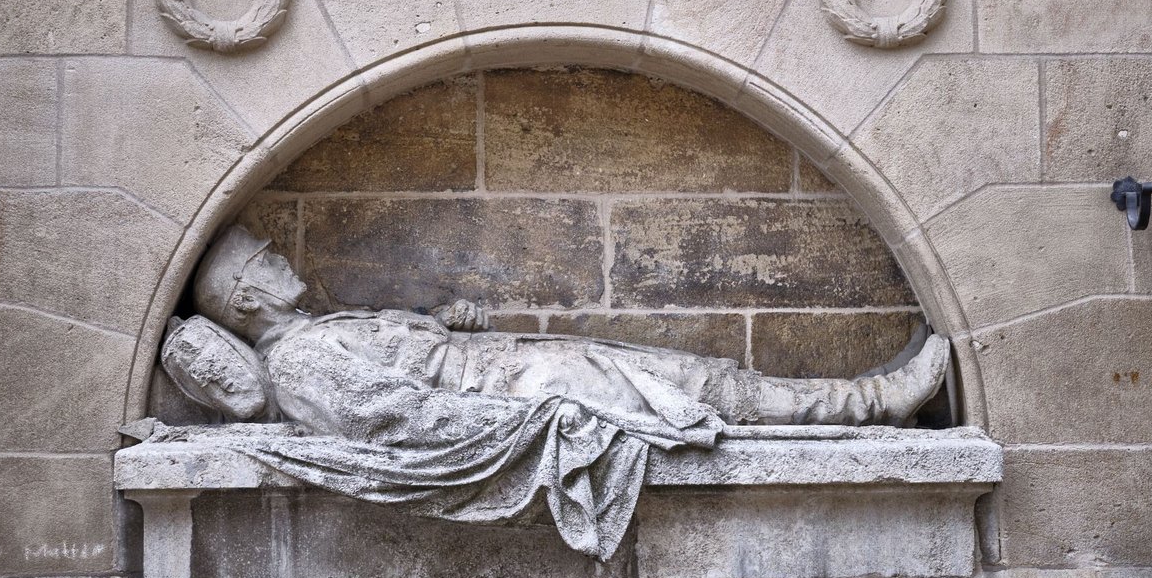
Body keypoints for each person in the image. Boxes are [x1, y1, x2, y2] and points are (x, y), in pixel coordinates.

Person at [157, 225, 950, 559]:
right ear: (244, 301)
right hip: (525, 390)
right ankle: (874, 405)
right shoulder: (299, 365)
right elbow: (404, 417)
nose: (274, 255)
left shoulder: (318, 330)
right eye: (260, 257)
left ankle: (869, 404)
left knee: (694, 381)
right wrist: (529, 418)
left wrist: (442, 325)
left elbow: (404, 368)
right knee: (698, 386)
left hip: (519, 366)